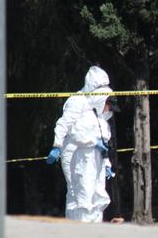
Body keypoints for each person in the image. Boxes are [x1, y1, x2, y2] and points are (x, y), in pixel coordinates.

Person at [45, 65, 113, 223]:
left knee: (96, 193)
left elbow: (100, 137)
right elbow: (64, 125)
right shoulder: (77, 101)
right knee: (79, 192)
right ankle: (78, 228)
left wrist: (106, 162)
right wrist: (57, 145)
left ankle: (94, 227)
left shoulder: (94, 109)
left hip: (93, 154)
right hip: (75, 152)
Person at [102, 96, 125, 223]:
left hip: (98, 161)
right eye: (109, 107)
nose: (109, 111)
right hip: (85, 161)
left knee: (100, 197)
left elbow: (104, 147)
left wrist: (106, 164)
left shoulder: (104, 124)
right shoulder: (87, 115)